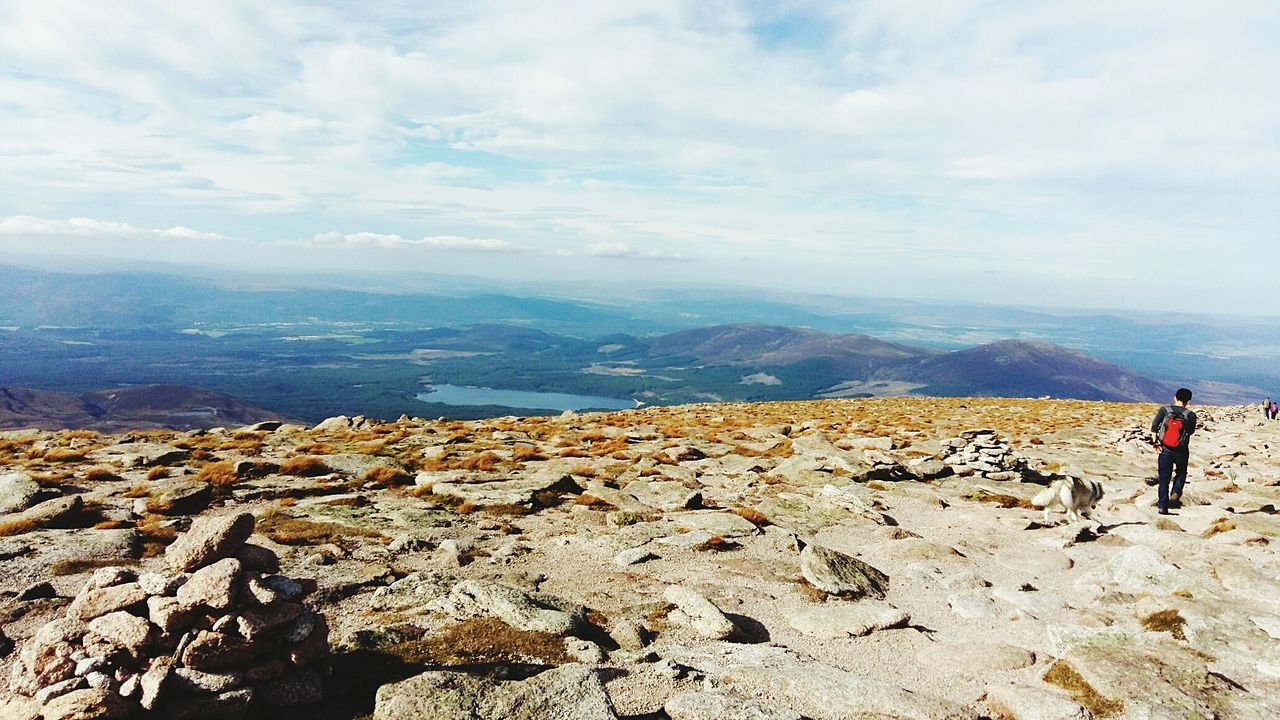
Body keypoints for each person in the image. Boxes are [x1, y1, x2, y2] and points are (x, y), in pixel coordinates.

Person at [1150, 388, 1196, 515]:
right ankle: (1176, 493)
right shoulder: (1190, 415)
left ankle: (1162, 506)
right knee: (1181, 473)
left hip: (1164, 449)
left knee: (1164, 478)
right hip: (1181, 450)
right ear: (1189, 401)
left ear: (1175, 397)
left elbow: (1154, 427)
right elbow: (1190, 431)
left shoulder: (1165, 410)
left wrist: (1155, 443)